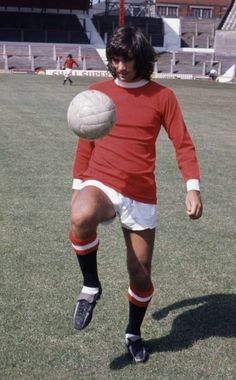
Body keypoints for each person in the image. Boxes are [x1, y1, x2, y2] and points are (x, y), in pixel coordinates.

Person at [68, 26, 203, 363]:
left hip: (140, 193)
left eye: (126, 60)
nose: (120, 67)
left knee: (140, 273)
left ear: (141, 59)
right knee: (80, 215)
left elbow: (182, 144)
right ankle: (90, 287)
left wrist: (192, 187)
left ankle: (133, 332)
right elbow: (85, 146)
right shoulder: (96, 95)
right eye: (115, 60)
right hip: (101, 181)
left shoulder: (163, 97)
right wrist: (77, 187)